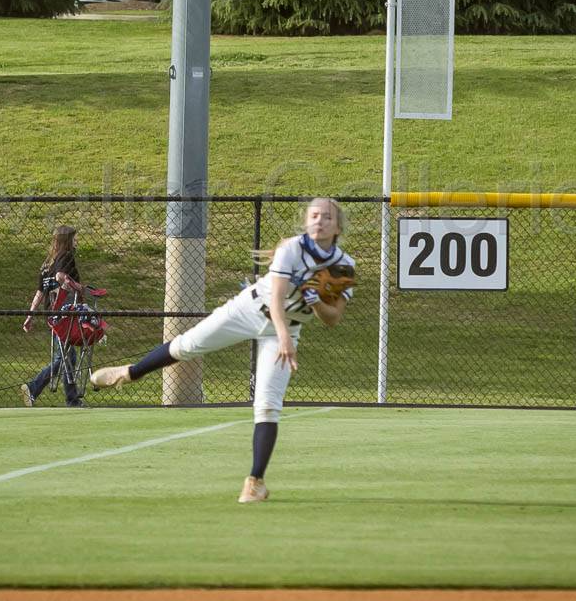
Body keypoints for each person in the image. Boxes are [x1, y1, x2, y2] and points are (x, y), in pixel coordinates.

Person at [90, 198, 355, 503]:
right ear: (307, 221)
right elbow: (277, 298)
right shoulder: (292, 249)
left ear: (337, 226)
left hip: (287, 328)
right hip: (250, 310)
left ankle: (255, 482)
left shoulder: (342, 266)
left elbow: (332, 318)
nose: (319, 220)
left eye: (327, 217)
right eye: (314, 215)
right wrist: (284, 337)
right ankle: (131, 372)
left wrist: (315, 299)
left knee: (268, 404)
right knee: (186, 345)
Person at [20, 225, 85, 408]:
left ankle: (71, 399)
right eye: (74, 238)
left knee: (66, 356)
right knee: (65, 357)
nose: (76, 241)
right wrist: (78, 287)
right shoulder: (66, 257)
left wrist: (30, 315)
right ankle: (34, 388)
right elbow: (61, 276)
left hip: (52, 314)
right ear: (67, 240)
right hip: (65, 313)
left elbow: (40, 292)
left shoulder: (47, 263)